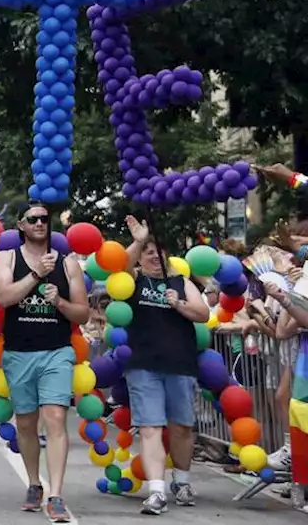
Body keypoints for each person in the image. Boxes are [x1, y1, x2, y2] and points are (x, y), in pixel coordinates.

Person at [0, 202, 88, 522]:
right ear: (21, 224)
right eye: (33, 219)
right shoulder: (7, 258)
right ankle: (35, 483)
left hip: (57, 351)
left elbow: (82, 313)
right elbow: (5, 298)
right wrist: (36, 274)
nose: (40, 223)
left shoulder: (69, 263)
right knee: (27, 423)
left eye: (45, 219)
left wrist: (58, 300)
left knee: (56, 417)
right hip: (19, 352)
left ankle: (56, 494)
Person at [122, 216, 209, 516]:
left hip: (180, 363)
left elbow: (203, 313)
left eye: (159, 252)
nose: (154, 257)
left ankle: (181, 482)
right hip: (143, 364)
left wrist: (180, 304)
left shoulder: (180, 282)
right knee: (150, 428)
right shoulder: (131, 280)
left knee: (182, 428)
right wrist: (137, 240)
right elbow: (119, 269)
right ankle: (156, 491)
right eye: (148, 252)